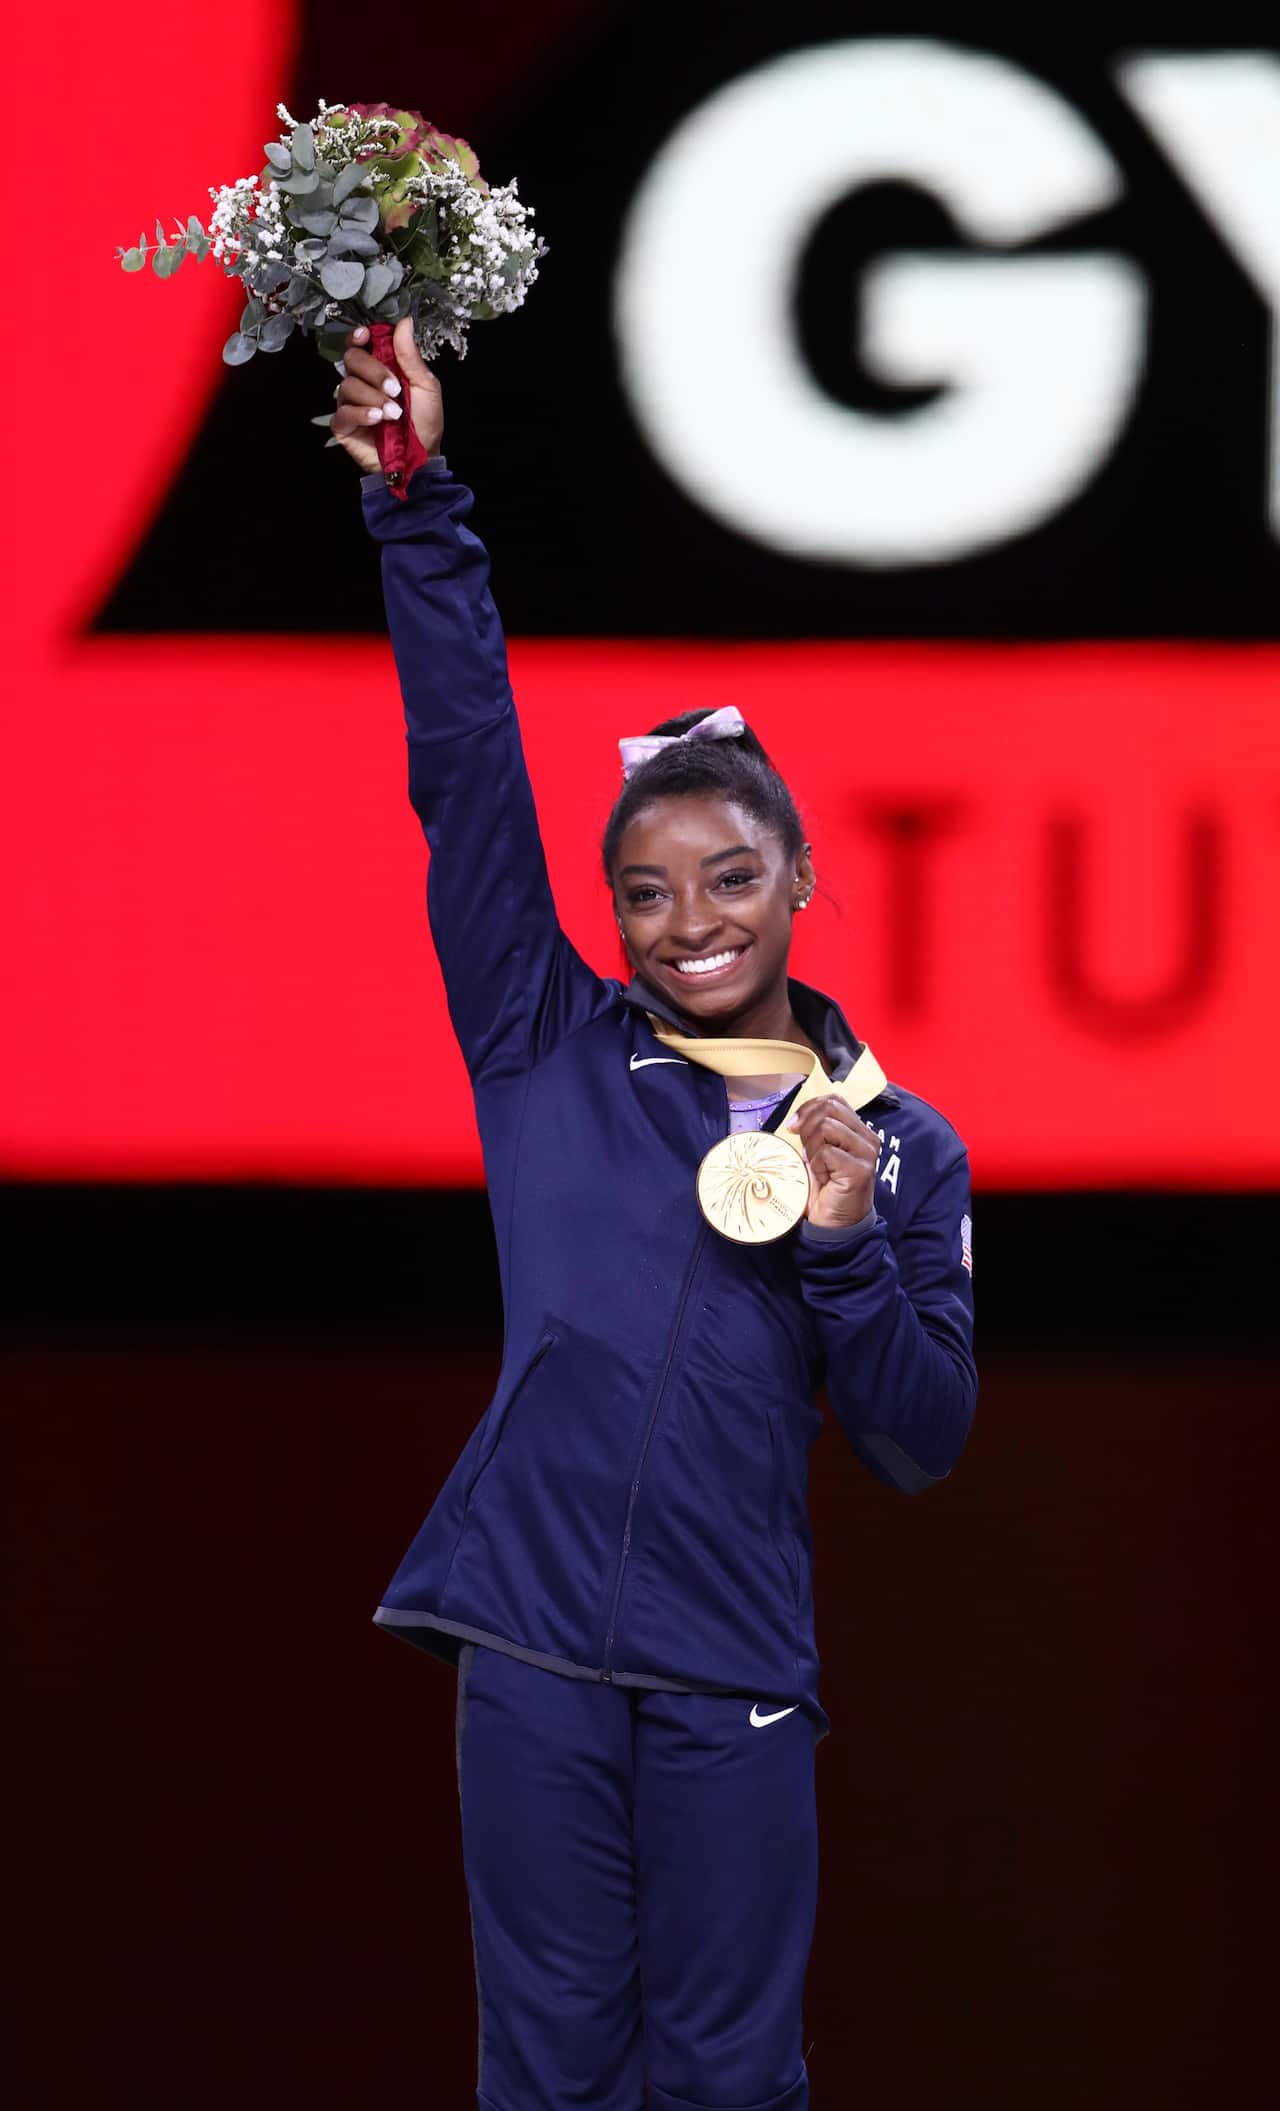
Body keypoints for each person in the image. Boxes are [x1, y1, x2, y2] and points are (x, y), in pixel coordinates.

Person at [332, 318, 977, 2111]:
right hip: (530, 1643)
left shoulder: (898, 1142)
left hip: (735, 1671)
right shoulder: (543, 1043)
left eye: (730, 877)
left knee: (725, 2078)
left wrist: (848, 1256)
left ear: (802, 881)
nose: (688, 919)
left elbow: (924, 1440)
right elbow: (465, 769)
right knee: (542, 2075)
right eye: (644, 889)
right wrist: (416, 501)